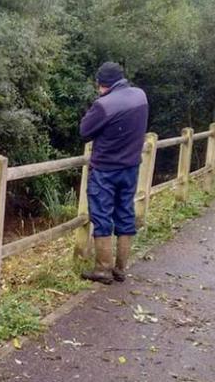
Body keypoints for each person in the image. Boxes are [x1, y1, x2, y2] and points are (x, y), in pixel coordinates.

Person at [79, 62, 149, 284]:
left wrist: (97, 105)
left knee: (101, 215)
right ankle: (120, 268)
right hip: (130, 167)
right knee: (125, 213)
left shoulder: (104, 105)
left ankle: (102, 269)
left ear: (102, 83)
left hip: (106, 169)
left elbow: (84, 131)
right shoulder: (140, 96)